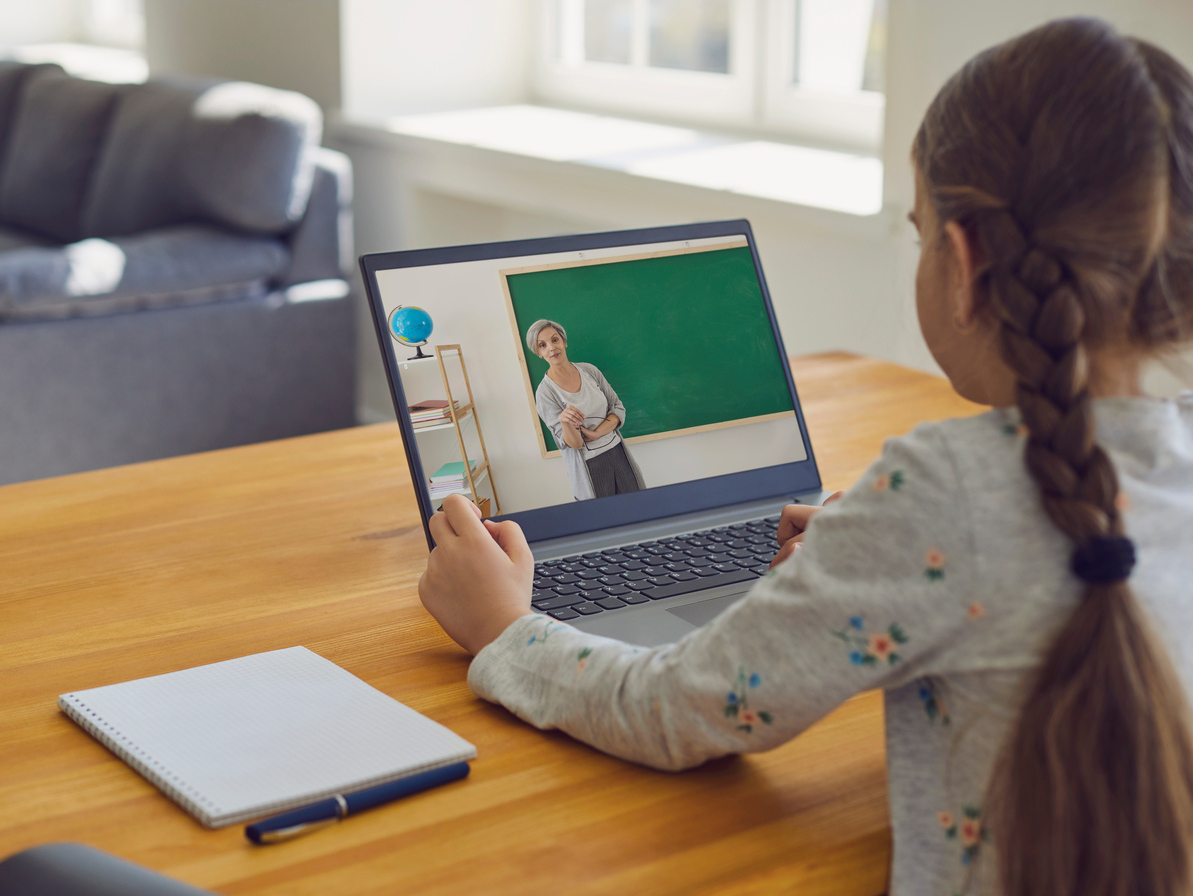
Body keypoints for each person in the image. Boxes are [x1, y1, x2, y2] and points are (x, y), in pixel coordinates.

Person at [419, 18, 1193, 896]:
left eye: (919, 231)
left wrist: (504, 629)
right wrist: (872, 544)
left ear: (965, 262)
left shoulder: (943, 492)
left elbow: (675, 710)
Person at [527, 318, 645, 500]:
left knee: (639, 508)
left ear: (564, 342)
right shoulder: (545, 393)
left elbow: (617, 408)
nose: (551, 348)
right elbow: (574, 444)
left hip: (618, 453)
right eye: (542, 345)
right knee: (604, 522)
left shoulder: (589, 371)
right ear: (539, 353)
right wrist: (564, 421)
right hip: (590, 467)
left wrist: (597, 433)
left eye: (555, 340)